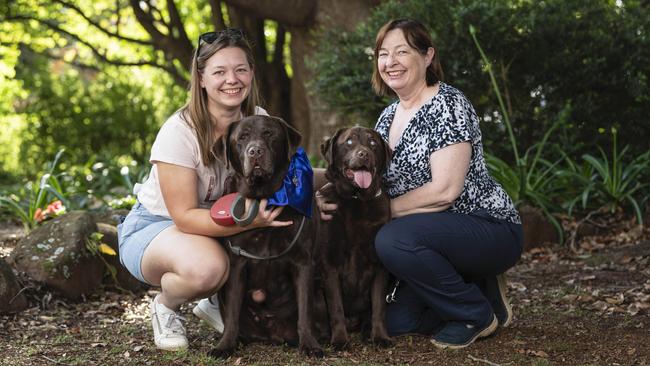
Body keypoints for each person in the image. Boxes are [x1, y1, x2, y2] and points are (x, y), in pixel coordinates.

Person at [316, 18, 523, 349]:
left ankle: (474, 313)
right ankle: (478, 288)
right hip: (429, 239)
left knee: (390, 239)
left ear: (428, 57)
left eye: (402, 51)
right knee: (397, 322)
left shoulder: (447, 105)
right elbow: (357, 177)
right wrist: (317, 192)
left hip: (485, 227)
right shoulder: (386, 118)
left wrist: (379, 214)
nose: (391, 62)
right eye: (384, 54)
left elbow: (445, 191)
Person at [117, 28, 292, 352]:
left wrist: (322, 192)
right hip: (158, 225)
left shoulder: (258, 121)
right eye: (220, 71)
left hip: (216, 226)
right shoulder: (179, 132)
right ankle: (167, 306)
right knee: (208, 268)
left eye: (241, 69)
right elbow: (183, 217)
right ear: (200, 78)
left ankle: (216, 302)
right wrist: (248, 223)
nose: (232, 79)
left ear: (252, 74)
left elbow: (289, 171)